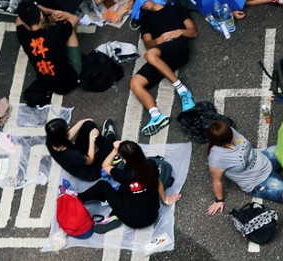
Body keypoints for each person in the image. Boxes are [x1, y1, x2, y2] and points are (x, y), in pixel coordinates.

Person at [205, 120, 283, 215]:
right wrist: (219, 201)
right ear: (222, 140)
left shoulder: (229, 132)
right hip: (259, 182)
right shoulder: (217, 158)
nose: (233, 135)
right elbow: (217, 181)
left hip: (265, 158)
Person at [73, 140, 180, 230]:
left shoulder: (123, 175)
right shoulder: (151, 165)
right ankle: (114, 214)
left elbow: (105, 165)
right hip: (152, 216)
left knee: (103, 185)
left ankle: (78, 198)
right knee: (127, 191)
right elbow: (159, 183)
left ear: (123, 159)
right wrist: (165, 199)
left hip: (132, 220)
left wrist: (115, 150)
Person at [133, 0, 198, 138]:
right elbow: (148, 43)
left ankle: (182, 90)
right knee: (135, 82)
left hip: (178, 47)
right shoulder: (145, 19)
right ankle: (156, 116)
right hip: (159, 54)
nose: (143, 5)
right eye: (139, 5)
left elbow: (193, 32)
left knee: (150, 55)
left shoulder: (175, 8)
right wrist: (159, 40)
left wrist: (179, 32)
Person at [15, 0, 81, 96]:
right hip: (67, 82)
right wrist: (49, 11)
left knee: (60, 36)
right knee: (68, 28)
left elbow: (18, 20)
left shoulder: (23, 37)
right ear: (41, 16)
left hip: (46, 83)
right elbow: (74, 19)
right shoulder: (55, 33)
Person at [45, 117, 119, 182]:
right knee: (111, 144)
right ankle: (110, 147)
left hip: (79, 153)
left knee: (88, 125)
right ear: (62, 136)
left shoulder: (51, 140)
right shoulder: (71, 156)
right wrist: (92, 139)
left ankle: (106, 149)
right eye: (67, 129)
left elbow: (68, 136)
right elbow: (90, 160)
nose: (69, 128)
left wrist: (82, 122)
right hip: (91, 170)